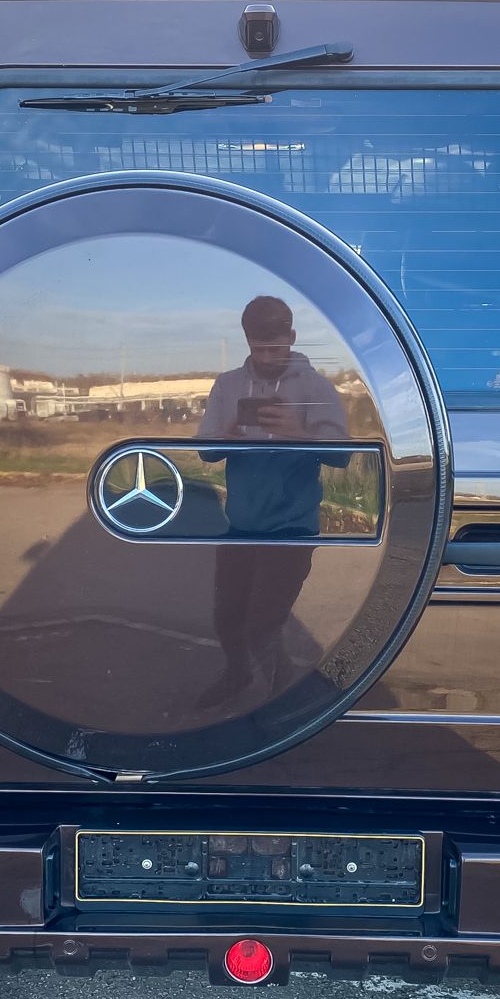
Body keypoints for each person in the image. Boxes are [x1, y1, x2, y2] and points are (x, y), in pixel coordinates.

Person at [194, 295, 349, 708]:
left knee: (263, 623)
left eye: (274, 348)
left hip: (292, 528)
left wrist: (300, 432)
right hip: (241, 525)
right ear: (246, 340)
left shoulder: (316, 388)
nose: (265, 358)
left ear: (292, 337)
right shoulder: (227, 385)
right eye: (257, 348)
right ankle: (238, 676)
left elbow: (342, 455)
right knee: (227, 618)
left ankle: (283, 703)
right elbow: (205, 451)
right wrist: (226, 437)